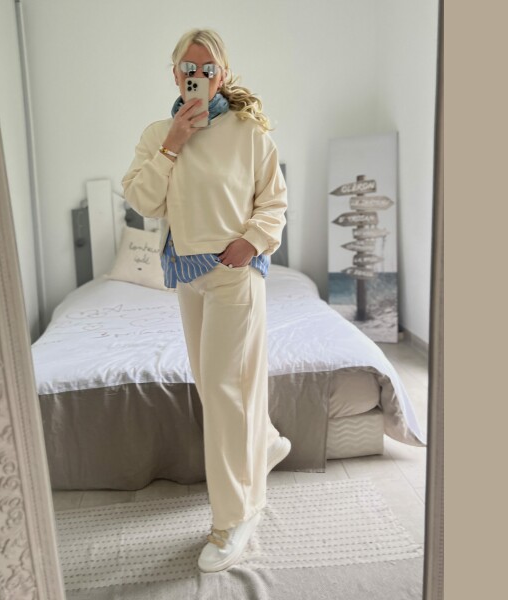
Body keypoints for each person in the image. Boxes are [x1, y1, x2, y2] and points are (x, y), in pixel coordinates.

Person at [121, 28, 291, 573]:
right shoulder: (157, 135)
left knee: (222, 390)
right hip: (186, 274)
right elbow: (143, 200)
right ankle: (263, 442)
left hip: (233, 273)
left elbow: (274, 201)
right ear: (174, 74)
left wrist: (252, 242)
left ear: (222, 73)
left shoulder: (248, 132)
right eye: (188, 69)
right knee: (217, 386)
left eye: (208, 68)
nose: (198, 76)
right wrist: (173, 142)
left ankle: (234, 518)